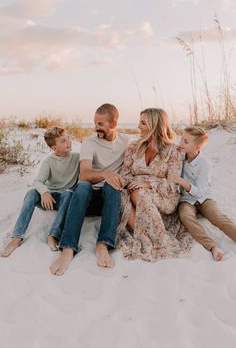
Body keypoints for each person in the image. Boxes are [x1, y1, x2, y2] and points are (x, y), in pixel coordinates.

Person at [49, 103, 130, 276]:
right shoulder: (90, 142)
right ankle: (68, 248)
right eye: (95, 123)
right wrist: (105, 173)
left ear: (114, 124)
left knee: (113, 186)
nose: (96, 128)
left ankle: (103, 245)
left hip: (109, 201)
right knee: (84, 186)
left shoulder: (126, 143)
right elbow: (84, 174)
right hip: (86, 200)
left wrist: (114, 178)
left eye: (101, 124)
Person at [116, 108, 193, 261]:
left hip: (164, 196)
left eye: (143, 123)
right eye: (139, 122)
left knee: (140, 193)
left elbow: (173, 183)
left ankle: (157, 237)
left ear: (155, 125)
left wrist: (147, 183)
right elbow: (125, 173)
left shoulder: (173, 151)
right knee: (121, 194)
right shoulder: (133, 147)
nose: (138, 127)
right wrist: (134, 183)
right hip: (135, 190)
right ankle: (144, 237)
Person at [1, 126, 80, 257]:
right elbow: (37, 182)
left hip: (65, 199)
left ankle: (53, 235)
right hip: (48, 199)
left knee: (68, 193)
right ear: (54, 148)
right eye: (63, 141)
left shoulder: (77, 158)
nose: (68, 142)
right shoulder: (49, 162)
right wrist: (45, 192)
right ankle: (17, 237)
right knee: (31, 193)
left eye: (68, 139)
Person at [168, 126, 236, 261]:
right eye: (181, 139)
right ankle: (213, 247)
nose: (181, 143)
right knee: (186, 216)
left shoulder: (205, 164)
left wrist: (182, 182)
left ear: (197, 147)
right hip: (186, 200)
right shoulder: (179, 157)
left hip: (204, 198)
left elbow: (200, 192)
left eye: (186, 142)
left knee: (217, 217)